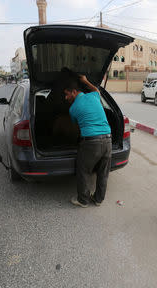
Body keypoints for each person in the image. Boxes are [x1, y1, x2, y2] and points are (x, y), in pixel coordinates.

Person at [63, 73, 112, 208]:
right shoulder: (93, 95)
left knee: (83, 170)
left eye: (67, 94)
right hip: (108, 139)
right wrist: (86, 81)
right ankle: (98, 199)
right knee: (103, 172)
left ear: (74, 91)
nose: (66, 98)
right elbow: (96, 89)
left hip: (91, 142)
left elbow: (76, 128)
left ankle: (83, 200)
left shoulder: (73, 109)